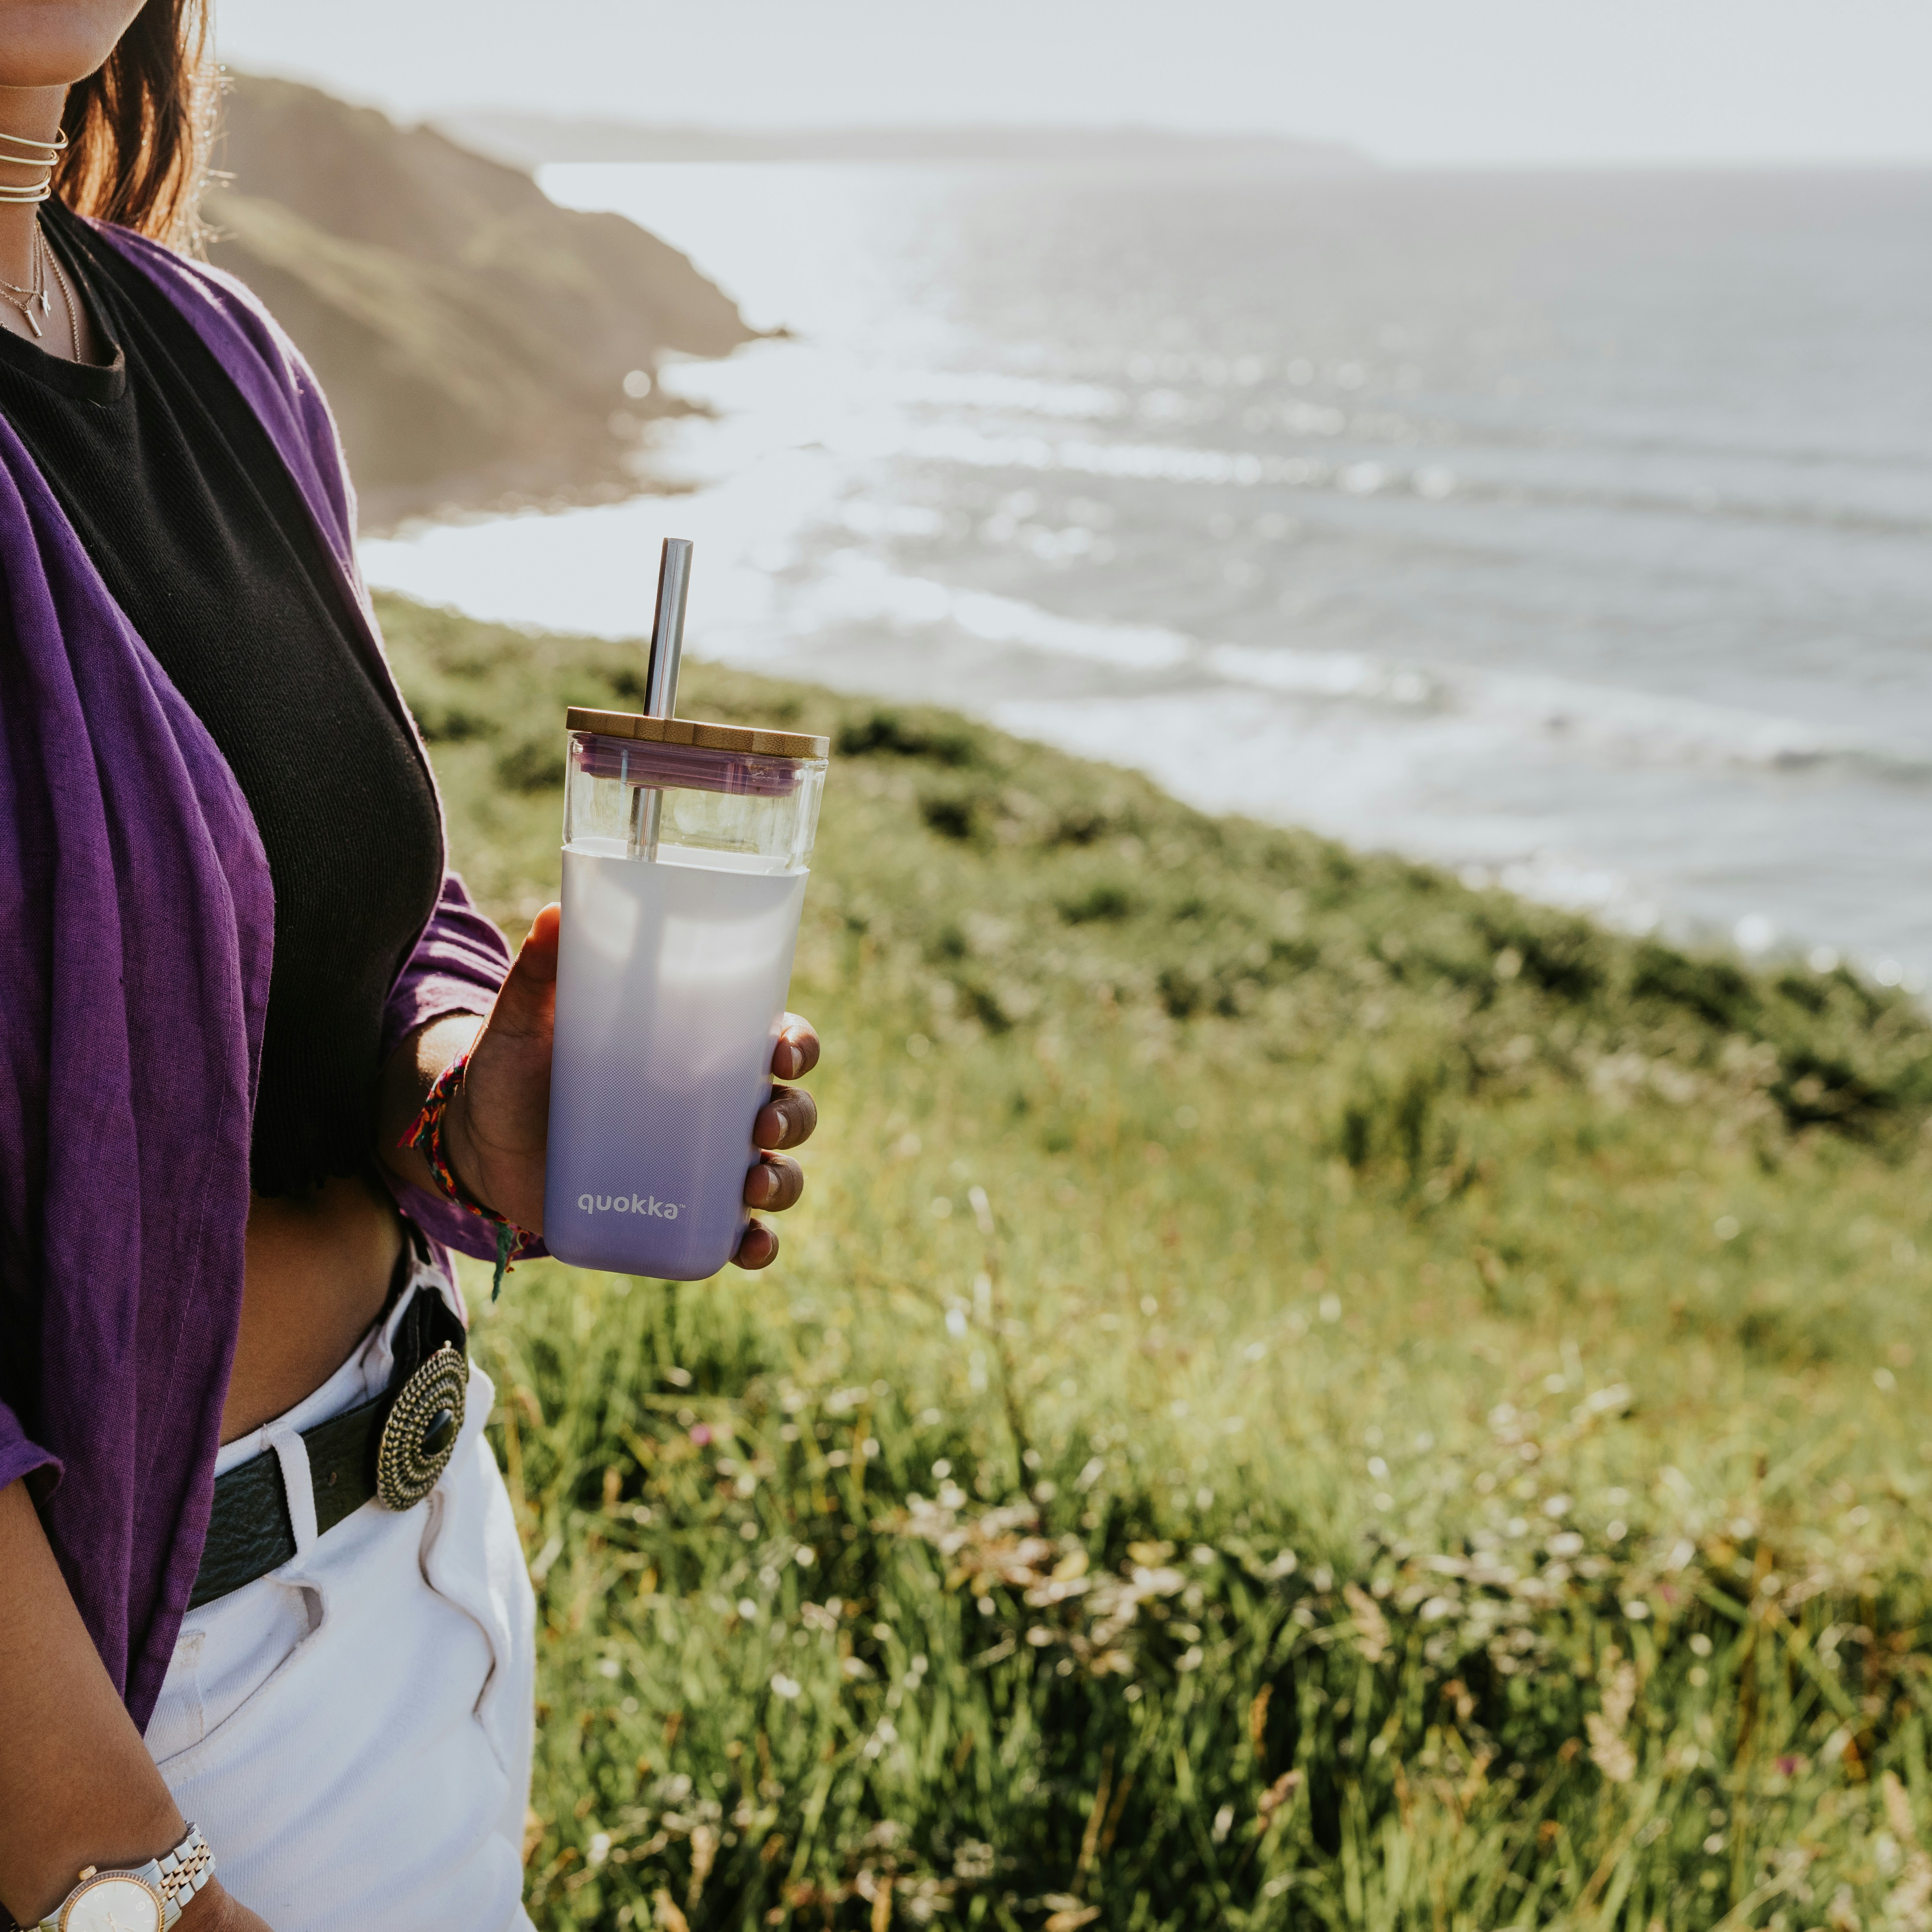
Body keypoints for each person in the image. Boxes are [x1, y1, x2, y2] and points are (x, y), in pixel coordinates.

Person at [0, 4, 822, 1929]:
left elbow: (352, 916)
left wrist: (461, 1099)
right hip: (113, 1729)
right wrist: (111, 1878)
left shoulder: (215, 351)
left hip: (409, 1570)